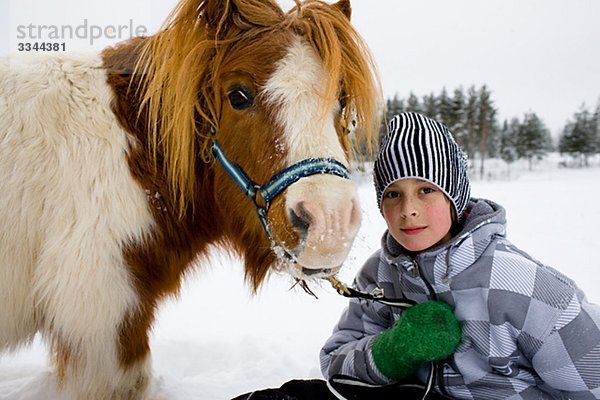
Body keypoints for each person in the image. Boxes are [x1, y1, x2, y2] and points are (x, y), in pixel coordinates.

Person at [319, 111, 600, 399]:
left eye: (426, 190)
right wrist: (395, 349)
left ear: (454, 196)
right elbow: (334, 364)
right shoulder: (380, 272)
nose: (408, 210)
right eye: (393, 194)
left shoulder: (523, 286)